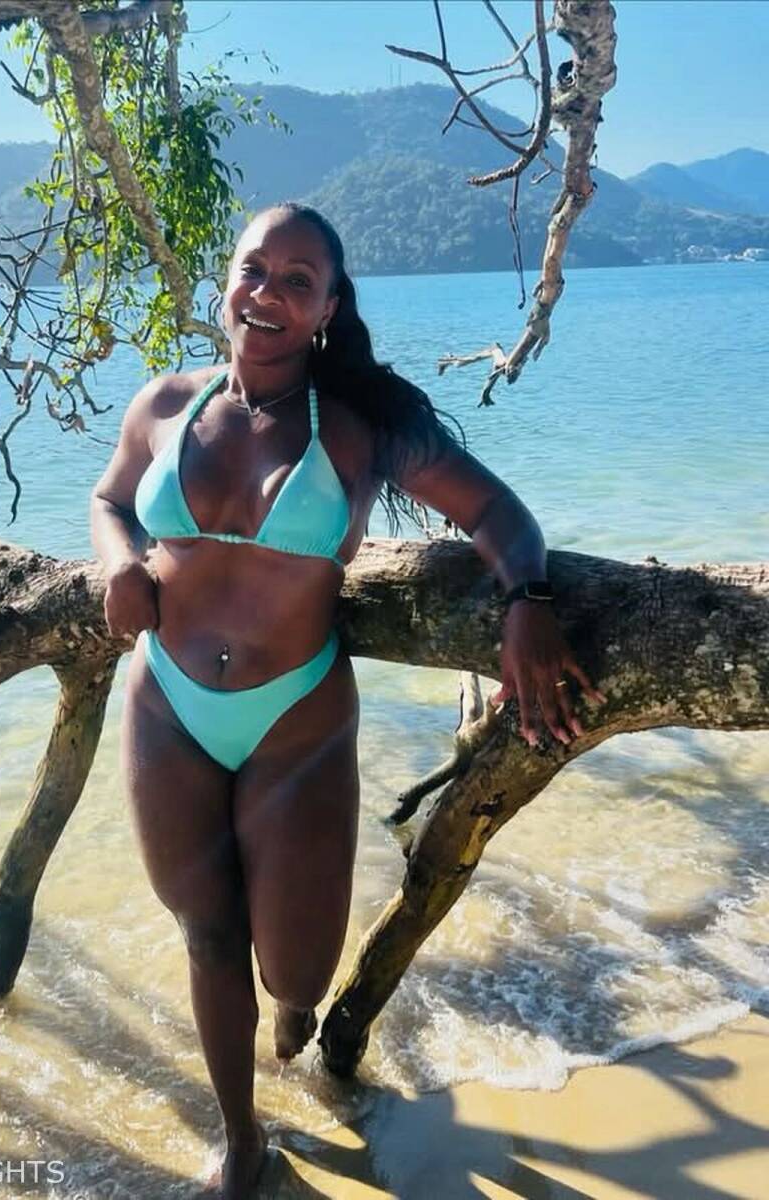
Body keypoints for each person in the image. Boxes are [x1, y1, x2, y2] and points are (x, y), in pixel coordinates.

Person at [90, 202, 604, 1198]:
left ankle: (293, 1009)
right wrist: (118, 564)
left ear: (328, 307)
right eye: (254, 270)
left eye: (298, 281)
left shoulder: (361, 427)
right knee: (207, 934)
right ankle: (242, 1140)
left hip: (296, 719)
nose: (268, 294)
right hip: (168, 705)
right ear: (226, 280)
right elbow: (111, 498)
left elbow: (496, 511)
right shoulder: (165, 403)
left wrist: (528, 602)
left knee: (297, 973)